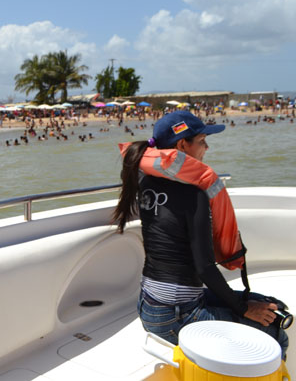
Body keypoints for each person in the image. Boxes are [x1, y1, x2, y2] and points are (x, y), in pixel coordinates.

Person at [113, 110, 288, 359]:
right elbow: (205, 268)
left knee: (272, 306)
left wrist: (246, 306)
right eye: (203, 142)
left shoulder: (145, 182)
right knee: (272, 330)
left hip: (150, 305)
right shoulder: (193, 195)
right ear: (183, 145)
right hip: (176, 316)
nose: (207, 149)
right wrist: (244, 309)